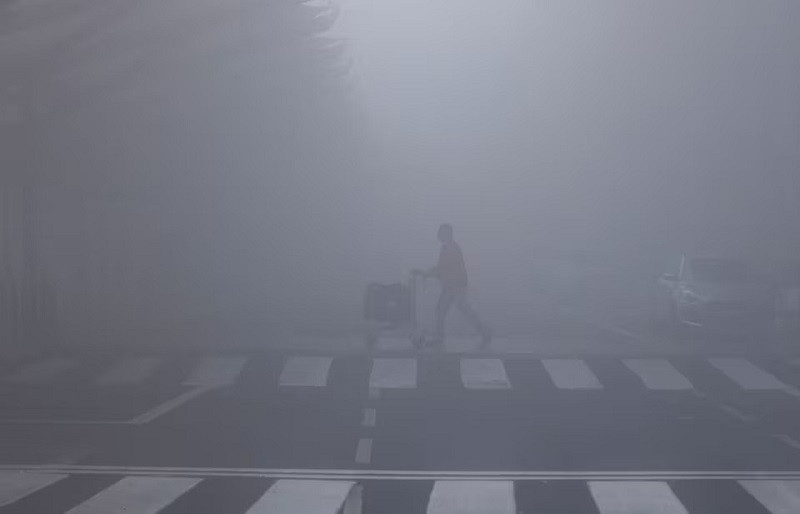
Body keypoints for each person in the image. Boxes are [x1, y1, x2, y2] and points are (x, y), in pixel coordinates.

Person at [414, 224, 491, 348]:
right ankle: (484, 332)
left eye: (440, 233)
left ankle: (485, 332)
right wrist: (428, 273)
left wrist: (427, 274)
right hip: (452, 287)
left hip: (454, 287)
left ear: (446, 234)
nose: (438, 235)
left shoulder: (450, 249)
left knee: (456, 311)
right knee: (446, 310)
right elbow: (442, 269)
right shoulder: (449, 248)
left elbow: (443, 270)